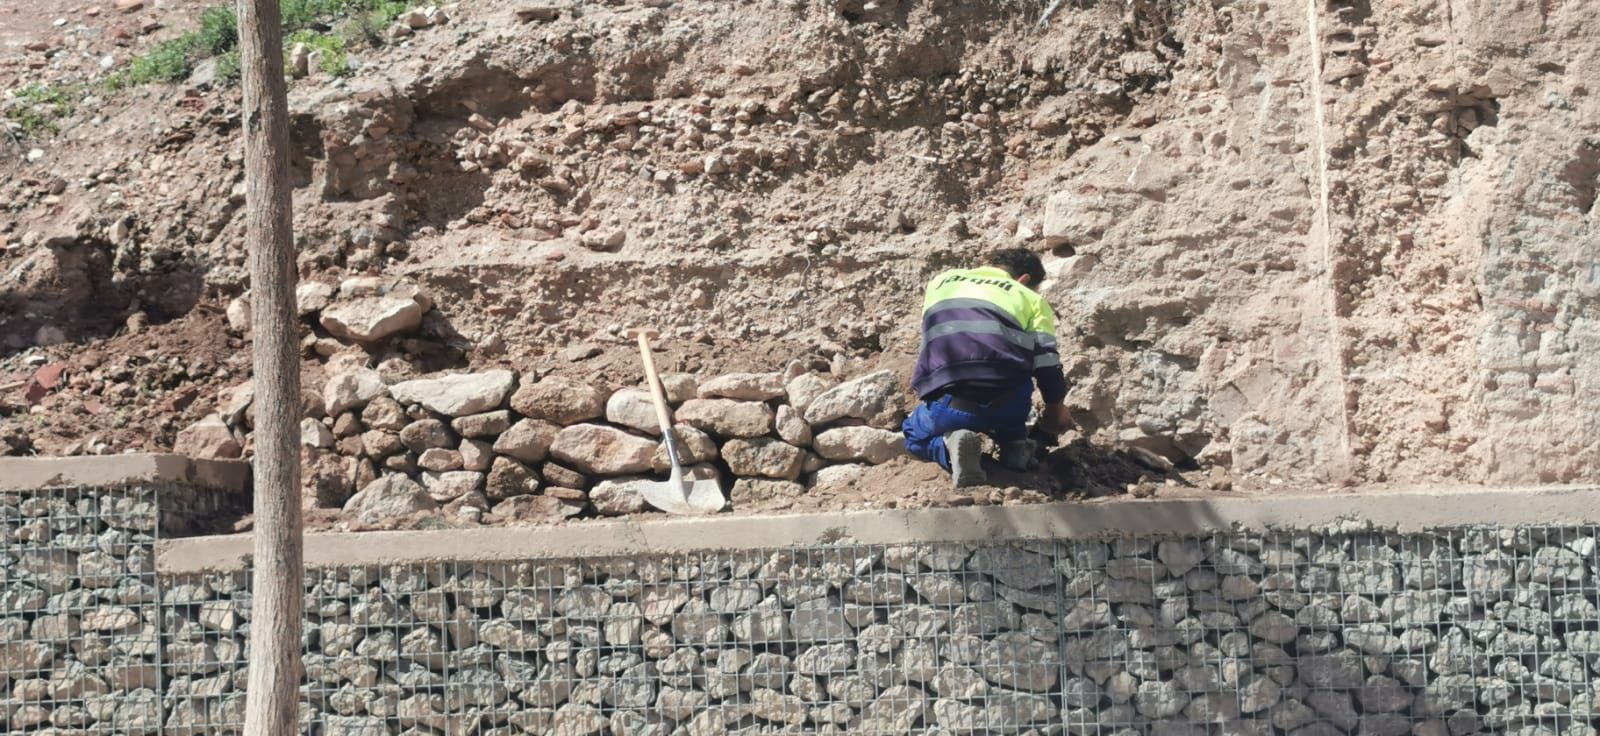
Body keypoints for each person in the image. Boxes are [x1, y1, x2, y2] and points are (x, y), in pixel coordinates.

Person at [902, 248, 1072, 487]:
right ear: (1024, 280)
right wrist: (1055, 413)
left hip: (950, 405)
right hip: (1010, 406)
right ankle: (1015, 447)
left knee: (913, 435)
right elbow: (1047, 367)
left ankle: (949, 447)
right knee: (1012, 410)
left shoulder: (941, 283)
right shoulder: (1031, 298)